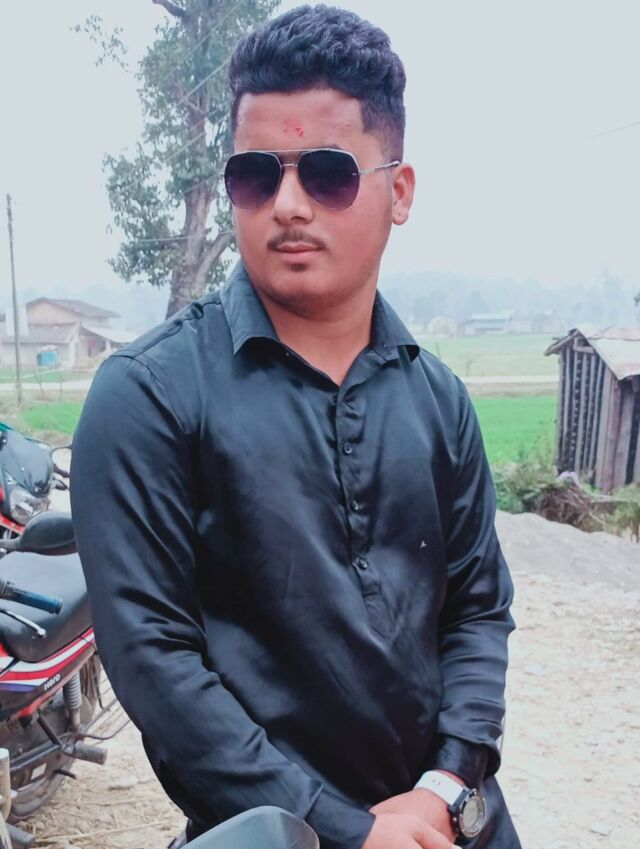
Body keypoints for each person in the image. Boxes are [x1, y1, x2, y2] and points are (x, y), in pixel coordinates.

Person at [71, 5, 521, 849]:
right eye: (255, 174)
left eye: (327, 173)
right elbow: (156, 662)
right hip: (268, 835)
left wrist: (443, 787)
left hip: (452, 825)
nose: (287, 204)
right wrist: (347, 830)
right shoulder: (149, 398)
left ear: (399, 191)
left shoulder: (439, 401)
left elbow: (477, 610)